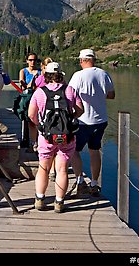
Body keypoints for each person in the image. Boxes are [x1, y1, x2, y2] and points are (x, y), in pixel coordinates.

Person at [28, 62, 84, 213]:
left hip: (46, 137)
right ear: (60, 74)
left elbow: (31, 115)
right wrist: (71, 117)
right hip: (67, 136)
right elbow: (80, 111)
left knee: (44, 168)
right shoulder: (70, 90)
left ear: (46, 75)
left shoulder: (40, 92)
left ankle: (40, 199)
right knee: (62, 169)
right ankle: (59, 202)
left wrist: (40, 125)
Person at [68, 48, 115, 197]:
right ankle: (94, 184)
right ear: (94, 59)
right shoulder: (104, 74)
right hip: (100, 120)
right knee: (94, 150)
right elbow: (111, 95)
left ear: (81, 60)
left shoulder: (78, 75)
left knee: (74, 150)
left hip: (82, 121)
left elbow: (69, 96)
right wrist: (98, 96)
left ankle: (80, 180)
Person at [19, 52, 41, 151]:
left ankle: (38, 142)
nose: (32, 62)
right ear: (27, 61)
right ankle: (31, 143)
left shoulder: (40, 72)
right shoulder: (23, 71)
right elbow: (23, 85)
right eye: (30, 60)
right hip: (28, 98)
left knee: (38, 120)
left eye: (34, 60)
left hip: (39, 98)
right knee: (29, 121)